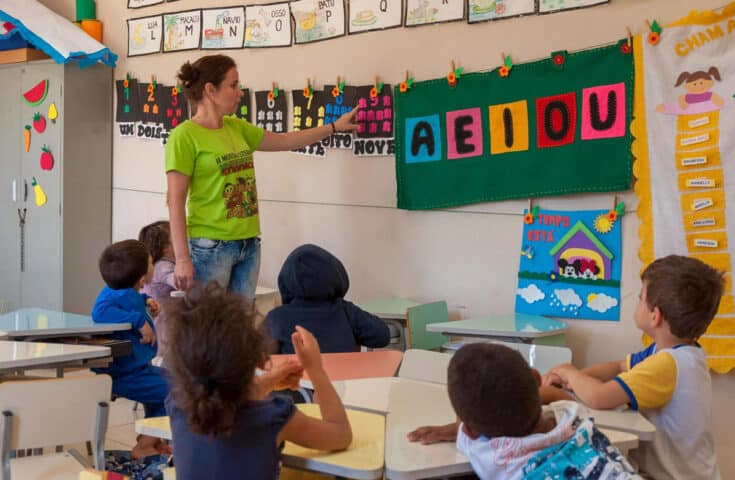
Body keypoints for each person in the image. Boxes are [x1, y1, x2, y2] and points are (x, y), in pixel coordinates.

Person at [166, 54, 358, 300]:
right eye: (233, 85)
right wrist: (182, 259)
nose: (240, 92)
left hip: (248, 244)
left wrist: (333, 127)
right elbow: (175, 201)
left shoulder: (236, 127)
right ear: (210, 90)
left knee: (240, 328)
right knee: (208, 329)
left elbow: (286, 140)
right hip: (211, 247)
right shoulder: (184, 136)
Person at [546, 255, 724, 480]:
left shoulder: (667, 363)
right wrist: (573, 378)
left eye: (640, 298)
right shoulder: (678, 353)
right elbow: (620, 366)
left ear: (655, 316)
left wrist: (568, 371)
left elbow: (599, 397)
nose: (637, 301)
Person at [163, 282, 352, 479]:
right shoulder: (274, 417)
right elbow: (341, 434)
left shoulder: (177, 404)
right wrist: (316, 370)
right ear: (257, 358)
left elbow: (220, 394)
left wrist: (269, 380)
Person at [445, 343, 639, 480]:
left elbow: (463, 429)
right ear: (537, 378)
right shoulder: (574, 416)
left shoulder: (491, 455)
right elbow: (557, 395)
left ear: (470, 430)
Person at [91, 239, 170, 459]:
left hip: (138, 368)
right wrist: (138, 319)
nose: (154, 264)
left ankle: (153, 440)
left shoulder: (125, 291)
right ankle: (145, 444)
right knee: (177, 392)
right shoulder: (115, 295)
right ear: (142, 278)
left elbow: (129, 301)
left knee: (165, 388)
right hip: (125, 373)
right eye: (151, 262)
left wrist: (145, 301)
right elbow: (100, 313)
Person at [265, 243, 390, 354]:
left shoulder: (276, 318)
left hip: (299, 380)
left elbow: (258, 358)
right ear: (337, 275)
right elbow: (383, 336)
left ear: (286, 282)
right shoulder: (345, 311)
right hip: (346, 379)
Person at [138, 220, 176, 354]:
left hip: (158, 316)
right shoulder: (162, 266)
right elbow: (178, 282)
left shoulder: (155, 265)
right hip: (163, 319)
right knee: (166, 349)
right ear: (165, 248)